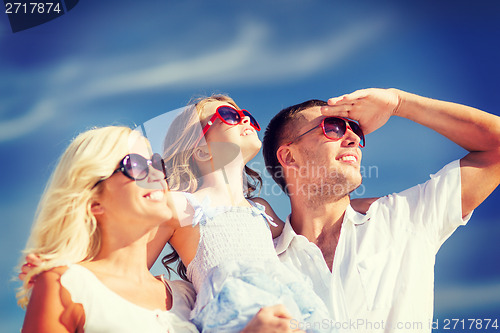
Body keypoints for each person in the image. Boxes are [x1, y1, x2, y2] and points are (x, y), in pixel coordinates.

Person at [261, 88, 500, 332]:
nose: (353, 139)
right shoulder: (262, 264)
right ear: (289, 156)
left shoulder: (405, 217)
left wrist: (399, 103)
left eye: (355, 131)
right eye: (333, 128)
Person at [146, 95, 332, 332]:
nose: (244, 118)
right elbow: (132, 269)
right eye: (229, 115)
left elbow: (312, 231)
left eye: (247, 115)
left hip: (288, 313)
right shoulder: (181, 205)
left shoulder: (262, 209)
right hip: (233, 321)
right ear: (201, 151)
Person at [17, 126, 198, 333]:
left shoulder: (189, 296)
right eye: (136, 165)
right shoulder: (67, 284)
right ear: (94, 202)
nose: (156, 174)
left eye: (156, 163)